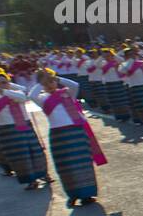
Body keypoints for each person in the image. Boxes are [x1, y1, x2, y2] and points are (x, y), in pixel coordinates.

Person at [28, 68, 106, 206]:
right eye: (47, 83)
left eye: (52, 81)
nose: (50, 84)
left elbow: (75, 85)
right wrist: (42, 81)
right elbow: (31, 95)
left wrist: (56, 78)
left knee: (84, 164)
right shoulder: (42, 98)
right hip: (59, 135)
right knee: (66, 166)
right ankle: (73, 194)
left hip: (77, 132)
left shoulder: (67, 93)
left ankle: (88, 194)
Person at [0, 70, 50, 189]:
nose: (1, 85)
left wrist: (5, 88)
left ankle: (43, 174)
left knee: (36, 153)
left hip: (25, 126)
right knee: (19, 157)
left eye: (4, 82)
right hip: (7, 130)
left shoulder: (16, 93)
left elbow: (23, 95)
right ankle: (30, 180)